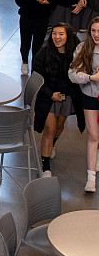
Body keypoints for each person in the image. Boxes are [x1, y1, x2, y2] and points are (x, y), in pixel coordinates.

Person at [33, 23, 82, 177]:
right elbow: (37, 77)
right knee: (50, 129)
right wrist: (50, 94)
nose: (57, 37)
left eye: (61, 34)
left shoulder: (75, 53)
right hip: (48, 98)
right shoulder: (43, 53)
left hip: (67, 97)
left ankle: (51, 147)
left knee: (59, 127)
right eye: (54, 33)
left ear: (68, 36)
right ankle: (45, 166)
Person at [68, 17, 99, 192]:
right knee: (93, 135)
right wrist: (91, 78)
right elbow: (72, 74)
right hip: (90, 96)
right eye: (93, 30)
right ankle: (91, 177)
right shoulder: (83, 48)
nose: (96, 34)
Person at [15, 0, 54, 75]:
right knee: (25, 41)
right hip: (27, 17)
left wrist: (47, 2)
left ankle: (35, 66)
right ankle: (25, 61)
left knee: (38, 43)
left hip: (42, 18)